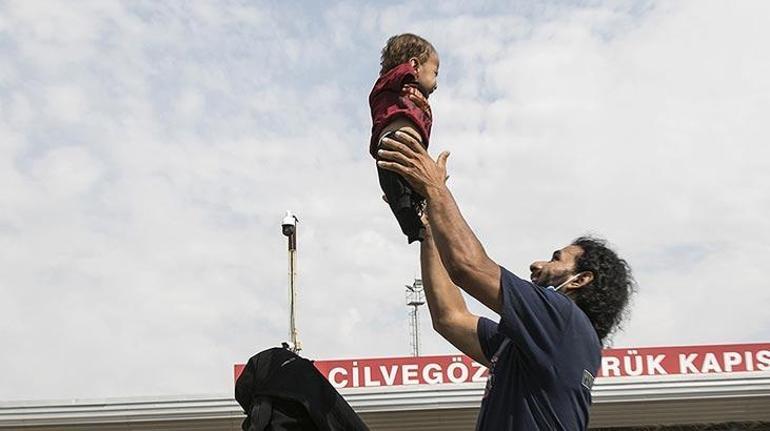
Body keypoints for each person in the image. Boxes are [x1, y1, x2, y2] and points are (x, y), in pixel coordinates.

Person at [375, 130, 635, 430]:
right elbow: (450, 317)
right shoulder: (536, 342)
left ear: (580, 280)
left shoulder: (562, 319)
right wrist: (429, 229)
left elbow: (468, 267)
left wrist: (435, 189)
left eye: (555, 258)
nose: (536, 264)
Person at [369, 33, 439, 243]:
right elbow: (397, 74)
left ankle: (419, 227)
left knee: (415, 197)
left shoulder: (416, 96)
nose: (436, 84)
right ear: (415, 66)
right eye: (435, 74)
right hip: (395, 143)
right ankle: (410, 219)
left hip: (409, 150)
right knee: (401, 196)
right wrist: (407, 71)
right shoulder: (396, 82)